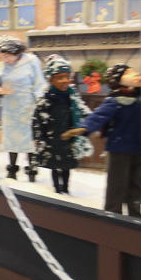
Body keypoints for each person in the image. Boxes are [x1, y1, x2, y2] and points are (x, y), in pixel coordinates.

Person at [72, 63, 141, 217]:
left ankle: (136, 214)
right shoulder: (115, 101)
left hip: (140, 149)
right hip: (119, 149)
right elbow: (98, 116)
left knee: (136, 185)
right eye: (129, 72)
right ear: (118, 80)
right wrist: (85, 127)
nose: (135, 74)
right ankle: (113, 214)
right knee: (117, 185)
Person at [0, 36, 45, 181]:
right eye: (0, 58)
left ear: (15, 51)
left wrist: (40, 104)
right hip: (10, 108)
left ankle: (32, 171)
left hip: (29, 106)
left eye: (6, 56)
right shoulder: (0, 66)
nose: (4, 60)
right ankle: (12, 169)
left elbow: (39, 84)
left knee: (30, 140)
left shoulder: (31, 61)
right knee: (12, 139)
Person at [31, 57, 92, 195]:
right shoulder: (46, 99)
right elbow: (37, 119)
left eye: (67, 77)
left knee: (67, 166)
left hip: (69, 137)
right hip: (52, 138)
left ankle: (65, 188)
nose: (65, 81)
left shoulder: (73, 97)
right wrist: (38, 137)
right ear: (51, 79)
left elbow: (84, 112)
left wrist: (88, 124)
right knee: (55, 165)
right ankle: (57, 189)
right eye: (60, 77)